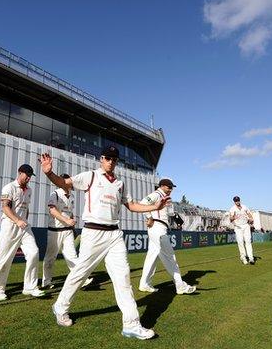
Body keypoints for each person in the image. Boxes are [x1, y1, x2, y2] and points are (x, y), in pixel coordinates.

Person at [39, 146, 169, 340]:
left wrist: (154, 206)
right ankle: (60, 307)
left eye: (114, 159)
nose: (111, 161)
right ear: (101, 159)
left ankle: (131, 324)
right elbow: (64, 183)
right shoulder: (90, 176)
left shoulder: (120, 183)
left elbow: (131, 206)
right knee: (80, 273)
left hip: (114, 235)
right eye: (108, 158)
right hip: (93, 232)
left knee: (123, 277)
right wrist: (50, 172)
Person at [0, 164, 45, 301]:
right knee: (4, 259)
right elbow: (5, 207)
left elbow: (26, 208)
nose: (28, 178)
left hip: (24, 226)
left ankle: (30, 287)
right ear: (19, 172)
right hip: (9, 225)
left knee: (33, 253)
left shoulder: (29, 190)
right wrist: (17, 220)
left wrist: (24, 220)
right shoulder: (9, 187)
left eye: (30, 176)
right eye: (26, 174)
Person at [138, 178, 196, 295]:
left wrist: (178, 220)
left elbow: (169, 213)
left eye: (172, 187)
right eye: (169, 187)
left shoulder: (165, 197)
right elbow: (143, 203)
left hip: (160, 227)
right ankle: (180, 286)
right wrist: (149, 217)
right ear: (162, 186)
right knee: (170, 257)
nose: (171, 189)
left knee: (152, 257)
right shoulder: (157, 194)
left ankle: (144, 283)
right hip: (157, 226)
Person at [42, 174, 93, 289]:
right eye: (69, 182)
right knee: (50, 258)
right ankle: (46, 282)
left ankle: (81, 281)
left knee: (72, 257)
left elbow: (69, 213)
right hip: (55, 231)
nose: (71, 184)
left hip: (68, 231)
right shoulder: (55, 194)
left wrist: (72, 225)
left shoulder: (72, 196)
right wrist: (66, 220)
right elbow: (52, 210)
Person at [229, 196, 255, 265]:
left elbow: (250, 216)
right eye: (236, 201)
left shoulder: (244, 207)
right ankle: (243, 257)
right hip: (238, 227)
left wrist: (251, 219)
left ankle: (251, 257)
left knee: (248, 241)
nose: (237, 202)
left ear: (240, 200)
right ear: (234, 202)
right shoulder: (232, 209)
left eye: (238, 200)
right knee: (240, 242)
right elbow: (230, 219)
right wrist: (234, 217)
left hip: (246, 225)